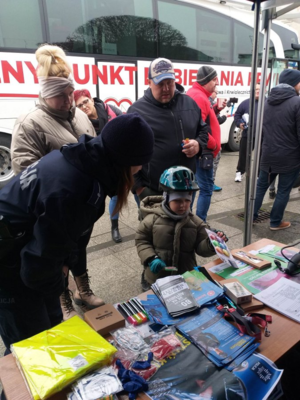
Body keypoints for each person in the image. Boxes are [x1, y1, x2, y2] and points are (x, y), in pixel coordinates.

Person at [0, 113, 154, 360]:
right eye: (139, 164)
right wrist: (59, 282)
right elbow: (36, 269)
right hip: (9, 270)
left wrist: (60, 277)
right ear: (125, 161)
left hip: (22, 255)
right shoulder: (77, 190)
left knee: (51, 329)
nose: (140, 171)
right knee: (28, 352)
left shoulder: (81, 159)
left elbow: (63, 241)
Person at [10, 44, 102, 320]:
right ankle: (61, 297)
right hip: (54, 212)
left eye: (70, 93)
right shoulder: (30, 123)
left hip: (82, 207)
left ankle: (82, 290)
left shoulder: (82, 115)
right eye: (59, 95)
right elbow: (25, 172)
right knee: (57, 255)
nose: (68, 100)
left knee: (79, 249)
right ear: (44, 95)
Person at [127, 57, 208, 202]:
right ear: (149, 82)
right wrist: (139, 188)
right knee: (153, 226)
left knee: (183, 225)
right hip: (153, 191)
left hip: (185, 189)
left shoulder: (189, 103)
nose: (166, 89)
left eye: (169, 83)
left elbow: (203, 130)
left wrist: (198, 145)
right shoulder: (136, 111)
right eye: (160, 84)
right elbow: (126, 154)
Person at [135, 166, 225, 288]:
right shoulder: (152, 219)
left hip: (185, 276)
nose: (183, 205)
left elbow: (201, 249)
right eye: (177, 200)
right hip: (158, 277)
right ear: (166, 198)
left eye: (187, 201)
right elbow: (141, 240)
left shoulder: (196, 223)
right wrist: (151, 258)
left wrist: (211, 243)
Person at [73, 89, 123, 243]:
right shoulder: (80, 122)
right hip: (100, 165)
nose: (84, 107)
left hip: (119, 161)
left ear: (92, 100)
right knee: (109, 196)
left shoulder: (111, 110)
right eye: (79, 106)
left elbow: (125, 126)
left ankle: (143, 216)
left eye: (85, 102)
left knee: (128, 192)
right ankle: (114, 226)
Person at [253, 69, 300, 230]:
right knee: (283, 190)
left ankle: (251, 216)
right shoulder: (297, 102)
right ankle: (275, 222)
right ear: (295, 83)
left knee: (261, 187)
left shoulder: (267, 101)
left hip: (268, 154)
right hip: (289, 157)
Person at [186, 66, 226, 223]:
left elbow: (203, 121)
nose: (217, 83)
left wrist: (215, 109)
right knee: (206, 189)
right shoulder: (199, 97)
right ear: (210, 80)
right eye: (215, 80)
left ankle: (189, 220)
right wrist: (215, 144)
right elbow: (197, 128)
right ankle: (200, 222)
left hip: (201, 151)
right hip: (204, 152)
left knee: (194, 187)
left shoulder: (198, 94)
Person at [234, 82, 261, 183]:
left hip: (262, 136)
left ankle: (259, 175)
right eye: (256, 89)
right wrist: (239, 123)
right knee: (244, 155)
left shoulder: (267, 102)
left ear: (264, 90)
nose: (258, 91)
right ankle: (240, 172)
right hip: (247, 134)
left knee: (261, 156)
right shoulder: (245, 103)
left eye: (259, 89)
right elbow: (237, 115)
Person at [209, 90, 227, 192]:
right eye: (215, 92)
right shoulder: (210, 103)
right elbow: (217, 120)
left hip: (210, 139)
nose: (216, 94)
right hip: (212, 140)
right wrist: (225, 117)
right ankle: (211, 183)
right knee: (214, 161)